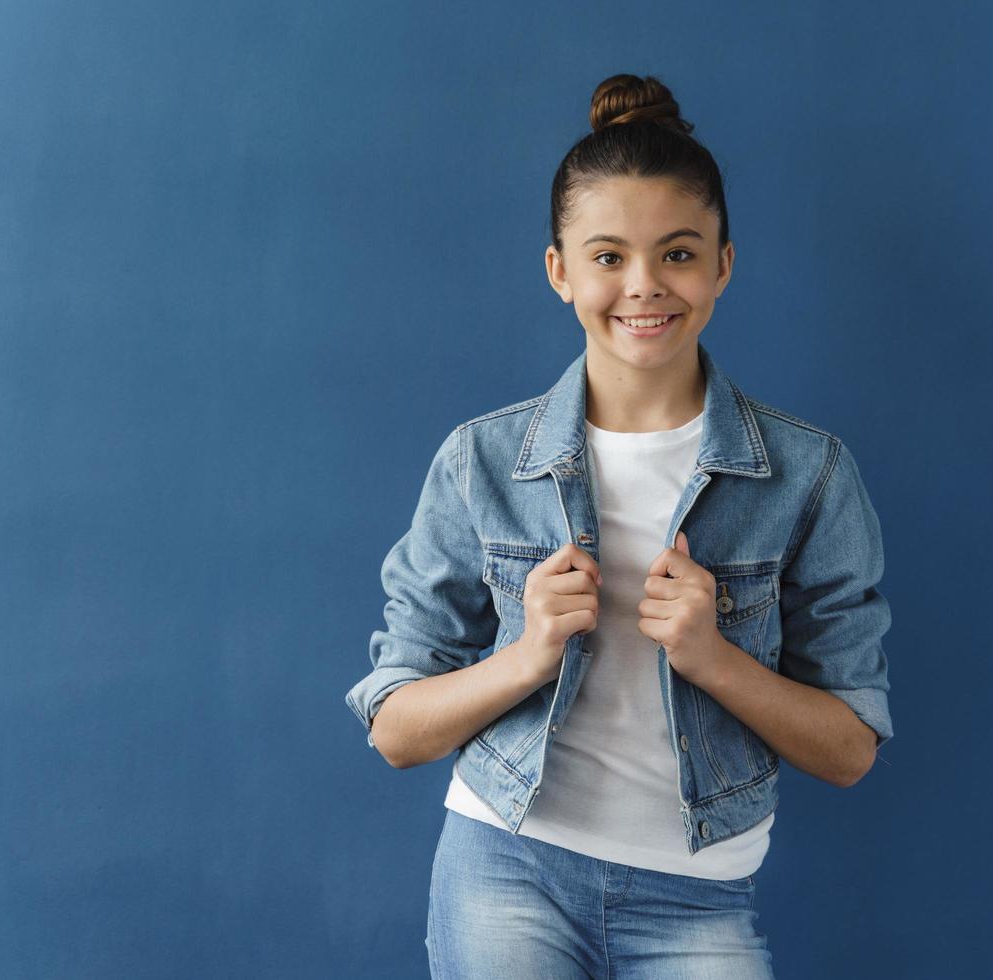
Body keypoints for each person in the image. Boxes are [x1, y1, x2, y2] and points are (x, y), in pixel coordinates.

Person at [345, 73, 893, 980]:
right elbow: (396, 730)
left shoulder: (810, 475)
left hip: (699, 894)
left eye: (678, 253)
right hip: (505, 868)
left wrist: (715, 656)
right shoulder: (481, 461)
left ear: (723, 263)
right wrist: (524, 655)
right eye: (608, 257)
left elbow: (849, 752)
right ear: (559, 270)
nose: (643, 286)